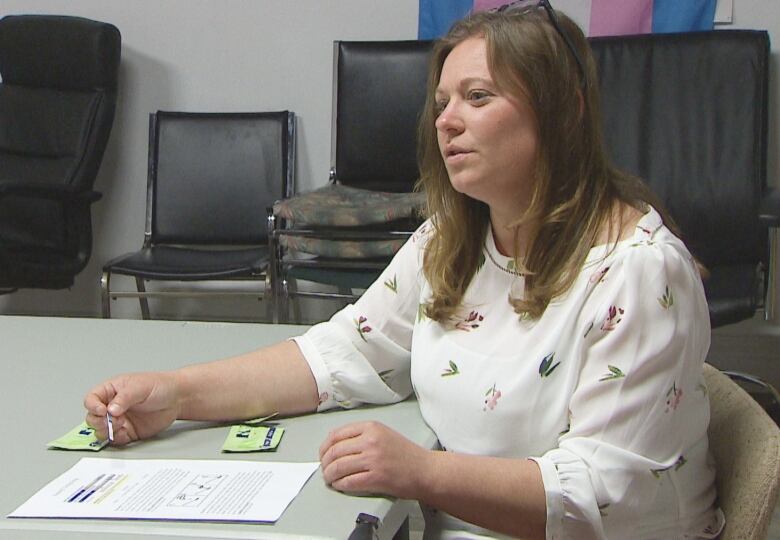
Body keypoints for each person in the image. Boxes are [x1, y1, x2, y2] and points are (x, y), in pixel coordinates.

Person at [84, 3, 725, 539]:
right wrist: (176, 394)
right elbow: (340, 355)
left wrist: (422, 474)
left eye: (478, 97)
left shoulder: (638, 273)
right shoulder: (450, 239)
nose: (446, 120)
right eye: (442, 101)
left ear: (565, 112)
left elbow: (601, 495)